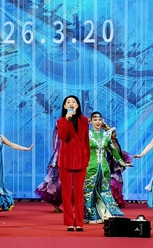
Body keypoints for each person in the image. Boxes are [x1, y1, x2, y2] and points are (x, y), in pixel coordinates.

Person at [84, 112, 127, 223]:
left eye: (100, 119)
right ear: (91, 121)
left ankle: (105, 214)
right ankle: (91, 216)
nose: (98, 122)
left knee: (104, 191)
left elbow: (113, 150)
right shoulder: (86, 134)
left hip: (104, 168)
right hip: (90, 167)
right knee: (89, 191)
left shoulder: (106, 135)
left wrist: (122, 162)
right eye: (95, 119)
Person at [56, 95, 89, 232]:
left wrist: (87, 157)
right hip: (66, 159)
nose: (71, 103)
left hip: (81, 159)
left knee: (79, 192)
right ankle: (69, 222)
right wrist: (68, 120)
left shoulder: (84, 120)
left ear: (78, 105)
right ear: (65, 106)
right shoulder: (61, 121)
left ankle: (79, 222)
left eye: (73, 102)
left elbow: (86, 140)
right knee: (67, 192)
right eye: (68, 102)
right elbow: (62, 136)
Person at [34, 126, 62, 212]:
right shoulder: (60, 141)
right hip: (59, 165)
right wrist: (54, 163)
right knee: (55, 186)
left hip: (69, 165)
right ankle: (56, 206)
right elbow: (57, 153)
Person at [107, 126, 133, 208]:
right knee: (112, 183)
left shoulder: (116, 142)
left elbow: (118, 154)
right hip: (110, 166)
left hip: (117, 166)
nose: (115, 134)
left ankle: (117, 201)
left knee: (118, 184)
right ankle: (111, 202)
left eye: (115, 132)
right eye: (112, 133)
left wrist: (125, 161)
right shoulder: (107, 143)